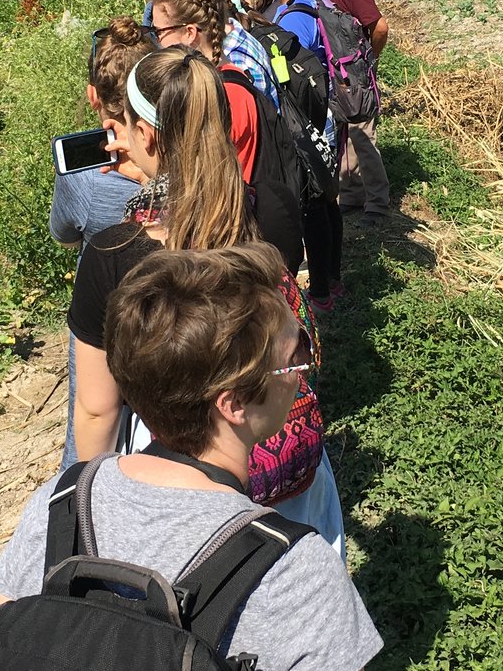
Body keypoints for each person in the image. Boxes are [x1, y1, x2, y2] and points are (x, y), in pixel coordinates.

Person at [0, 244, 382, 671]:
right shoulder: (296, 574)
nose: (301, 376)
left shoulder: (61, 504)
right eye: (292, 359)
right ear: (234, 403)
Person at [67, 48, 343, 549]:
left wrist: (90, 518)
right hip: (291, 476)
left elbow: (96, 413)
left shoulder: (115, 256)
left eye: (125, 126)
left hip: (190, 491)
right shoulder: (272, 208)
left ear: (146, 135)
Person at [49, 18, 154, 467]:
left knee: (92, 419)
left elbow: (64, 235)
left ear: (93, 95)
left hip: (109, 322)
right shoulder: (194, 153)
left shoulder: (86, 180)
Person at [152, 0, 303, 271]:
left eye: (159, 32)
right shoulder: (224, 78)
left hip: (231, 243)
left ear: (190, 33)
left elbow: (207, 182)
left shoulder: (224, 97)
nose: (154, 42)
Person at [247, 0, 344, 307]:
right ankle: (331, 280)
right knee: (326, 199)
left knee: (316, 204)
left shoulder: (293, 21)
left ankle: (324, 287)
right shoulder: (312, 1)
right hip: (321, 112)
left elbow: (289, 81)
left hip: (310, 118)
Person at [307, 0, 391, 219]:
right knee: (347, 132)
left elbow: (379, 27)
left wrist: (370, 60)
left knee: (363, 135)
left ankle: (378, 204)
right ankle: (352, 196)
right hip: (339, 72)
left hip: (355, 72)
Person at [153, 0, 279, 108]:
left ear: (190, 33)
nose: (158, 40)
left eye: (158, 31)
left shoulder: (231, 83)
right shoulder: (231, 41)